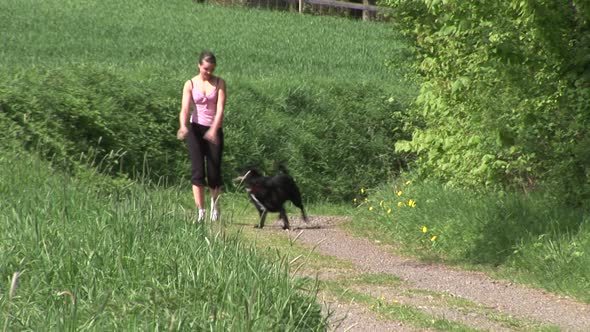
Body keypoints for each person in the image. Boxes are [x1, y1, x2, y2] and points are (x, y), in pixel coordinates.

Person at [177, 51, 226, 222]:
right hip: (195, 130)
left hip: (214, 130)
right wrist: (183, 126)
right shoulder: (190, 84)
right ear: (199, 66)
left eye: (212, 69)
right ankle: (201, 212)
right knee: (197, 171)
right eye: (206, 69)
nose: (209, 72)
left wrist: (213, 129)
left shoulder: (220, 83)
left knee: (213, 172)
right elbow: (185, 108)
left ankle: (215, 205)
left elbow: (220, 109)